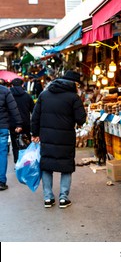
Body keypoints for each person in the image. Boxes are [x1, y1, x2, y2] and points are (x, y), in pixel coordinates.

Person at [31, 70, 87, 208]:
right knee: (66, 165)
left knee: (46, 165)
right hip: (66, 137)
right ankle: (63, 198)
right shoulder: (73, 97)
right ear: (74, 83)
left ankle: (48, 198)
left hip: (47, 136)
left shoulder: (44, 94)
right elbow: (81, 119)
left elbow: (35, 116)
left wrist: (35, 133)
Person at [0, 82, 23, 191]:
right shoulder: (5, 90)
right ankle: (1, 182)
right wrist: (18, 123)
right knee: (2, 153)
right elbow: (13, 108)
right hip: (2, 127)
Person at [9, 78, 35, 163]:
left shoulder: (9, 96)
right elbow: (33, 110)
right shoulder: (27, 96)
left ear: (12, 85)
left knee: (15, 144)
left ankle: (17, 162)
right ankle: (26, 162)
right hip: (25, 124)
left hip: (13, 124)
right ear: (22, 85)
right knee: (26, 143)